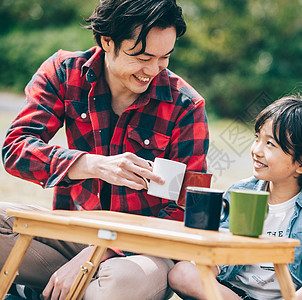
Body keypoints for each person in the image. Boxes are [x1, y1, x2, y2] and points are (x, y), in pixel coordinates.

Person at [0, 0, 209, 299]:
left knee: (121, 282)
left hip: (140, 251)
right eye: (142, 56)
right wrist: (93, 164)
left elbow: (185, 209)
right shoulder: (63, 73)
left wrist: (101, 253)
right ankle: (57, 285)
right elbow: (15, 149)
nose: (152, 69)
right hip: (72, 232)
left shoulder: (185, 106)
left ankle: (33, 288)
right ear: (106, 40)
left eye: (164, 57)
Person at [168, 94, 302, 299]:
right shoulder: (240, 192)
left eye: (270, 144)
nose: (257, 150)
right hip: (235, 293)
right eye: (257, 137)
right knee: (182, 272)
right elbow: (219, 257)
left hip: (293, 294)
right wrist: (205, 274)